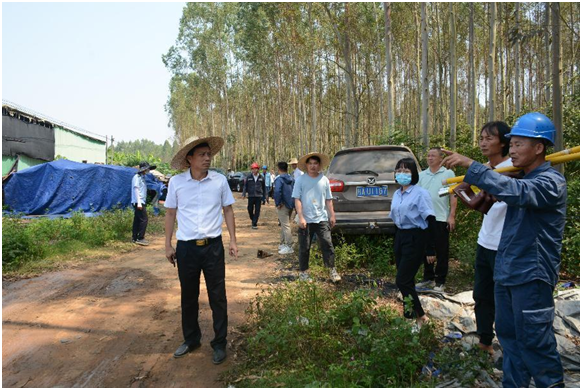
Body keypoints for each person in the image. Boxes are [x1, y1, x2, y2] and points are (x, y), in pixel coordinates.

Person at [442, 112, 566, 388]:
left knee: (535, 344)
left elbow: (520, 194)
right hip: (506, 272)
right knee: (509, 343)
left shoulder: (551, 183)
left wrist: (473, 166)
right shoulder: (516, 179)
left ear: (539, 148)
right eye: (511, 144)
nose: (512, 150)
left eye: (519, 144)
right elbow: (495, 198)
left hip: (531, 278)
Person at [164, 135, 238, 365]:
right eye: (202, 155)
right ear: (190, 158)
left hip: (213, 247)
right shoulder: (176, 183)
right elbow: (170, 213)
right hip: (186, 249)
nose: (207, 158)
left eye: (209, 155)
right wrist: (167, 244)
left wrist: (233, 240)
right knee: (188, 296)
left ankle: (219, 343)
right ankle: (191, 339)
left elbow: (228, 210)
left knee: (218, 296)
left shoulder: (219, 181)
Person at [469, 121, 513, 355]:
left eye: (489, 138)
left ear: (504, 142)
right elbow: (468, 193)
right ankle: (485, 341)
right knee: (481, 295)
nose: (483, 142)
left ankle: (510, 349)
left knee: (505, 298)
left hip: (504, 245)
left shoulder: (513, 168)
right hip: (484, 241)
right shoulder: (485, 168)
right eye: (481, 138)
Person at [389, 158, 436, 329]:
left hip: (416, 237)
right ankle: (409, 318)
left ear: (413, 173)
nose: (402, 174)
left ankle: (422, 317)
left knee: (403, 280)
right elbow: (396, 219)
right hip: (401, 236)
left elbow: (430, 220)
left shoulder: (420, 193)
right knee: (406, 280)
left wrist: (430, 249)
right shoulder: (397, 193)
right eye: (399, 170)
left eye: (406, 170)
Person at [292, 152, 341, 283]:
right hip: (306, 219)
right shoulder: (300, 180)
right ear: (306, 165)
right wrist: (301, 217)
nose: (313, 166)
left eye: (315, 164)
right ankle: (303, 272)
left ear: (319, 165)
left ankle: (332, 270)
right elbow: (297, 199)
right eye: (310, 164)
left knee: (327, 244)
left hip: (321, 218)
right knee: (304, 246)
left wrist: (332, 215)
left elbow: (328, 199)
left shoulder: (324, 179)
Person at [416, 147, 458, 293]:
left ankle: (440, 281)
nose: (430, 158)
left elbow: (453, 195)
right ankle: (428, 278)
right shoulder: (422, 175)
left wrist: (451, 215)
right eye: (428, 155)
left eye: (433, 155)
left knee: (441, 250)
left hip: (440, 217)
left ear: (441, 158)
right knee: (425, 249)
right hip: (425, 218)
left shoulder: (448, 173)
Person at [131, 161, 156, 246]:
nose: (148, 170)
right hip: (139, 201)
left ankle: (134, 237)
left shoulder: (142, 177)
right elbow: (136, 189)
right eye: (147, 169)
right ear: (143, 169)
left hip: (140, 201)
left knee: (137, 220)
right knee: (144, 219)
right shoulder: (137, 177)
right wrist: (139, 202)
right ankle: (140, 238)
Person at [273, 161, 294, 255]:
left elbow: (277, 191)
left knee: (285, 226)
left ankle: (289, 246)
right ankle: (282, 243)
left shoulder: (279, 180)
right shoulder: (292, 179)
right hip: (290, 204)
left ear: (279, 169)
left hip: (282, 205)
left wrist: (278, 202)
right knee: (284, 224)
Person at [242, 162, 266, 229]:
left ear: (258, 169)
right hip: (251, 196)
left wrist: (264, 197)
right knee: (250, 209)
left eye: (255, 169)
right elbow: (245, 186)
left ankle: (254, 223)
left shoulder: (261, 177)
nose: (254, 170)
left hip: (259, 196)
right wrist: (244, 194)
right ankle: (253, 219)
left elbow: (264, 188)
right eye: (252, 169)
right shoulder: (249, 177)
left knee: (257, 210)